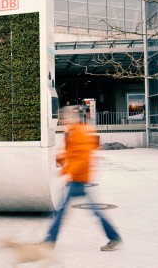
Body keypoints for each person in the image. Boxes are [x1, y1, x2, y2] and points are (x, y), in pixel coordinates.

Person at [43, 106, 122, 251]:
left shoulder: (79, 132)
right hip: (77, 178)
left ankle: (49, 241)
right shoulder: (73, 131)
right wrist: (58, 158)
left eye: (64, 116)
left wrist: (67, 171)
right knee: (86, 211)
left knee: (63, 212)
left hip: (79, 179)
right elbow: (72, 154)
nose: (62, 119)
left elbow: (83, 158)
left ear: (73, 118)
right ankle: (114, 237)